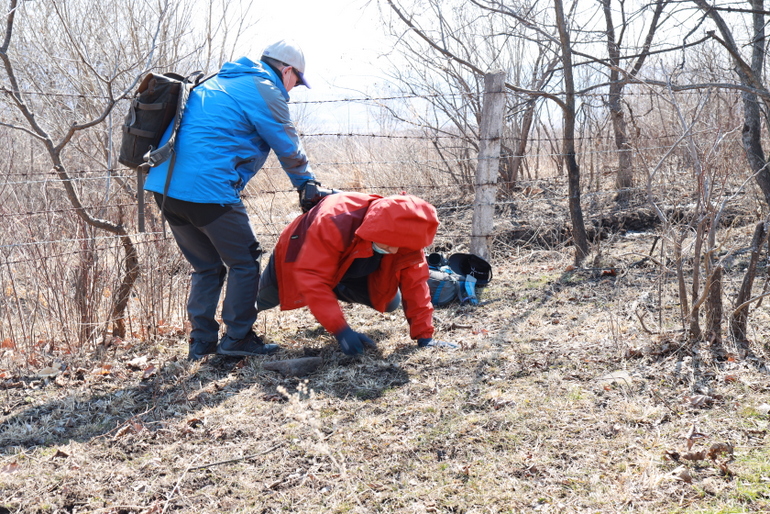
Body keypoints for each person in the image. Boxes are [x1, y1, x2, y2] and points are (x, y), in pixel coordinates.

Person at [143, 40, 315, 361]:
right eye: (297, 81)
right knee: (245, 261)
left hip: (164, 186)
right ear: (287, 70)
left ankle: (201, 343)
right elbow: (287, 144)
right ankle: (238, 338)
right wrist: (308, 186)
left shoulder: (221, 79)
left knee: (207, 266)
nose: (295, 89)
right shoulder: (265, 88)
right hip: (205, 189)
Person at [257, 191, 456, 355]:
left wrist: (425, 336)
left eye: (400, 246)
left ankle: (333, 291)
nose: (395, 251)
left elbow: (416, 283)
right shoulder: (334, 218)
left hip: (347, 269)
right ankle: (236, 334)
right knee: (260, 299)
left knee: (389, 302)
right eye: (391, 244)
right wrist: (341, 329)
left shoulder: (408, 234)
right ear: (377, 230)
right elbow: (311, 277)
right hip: (298, 255)